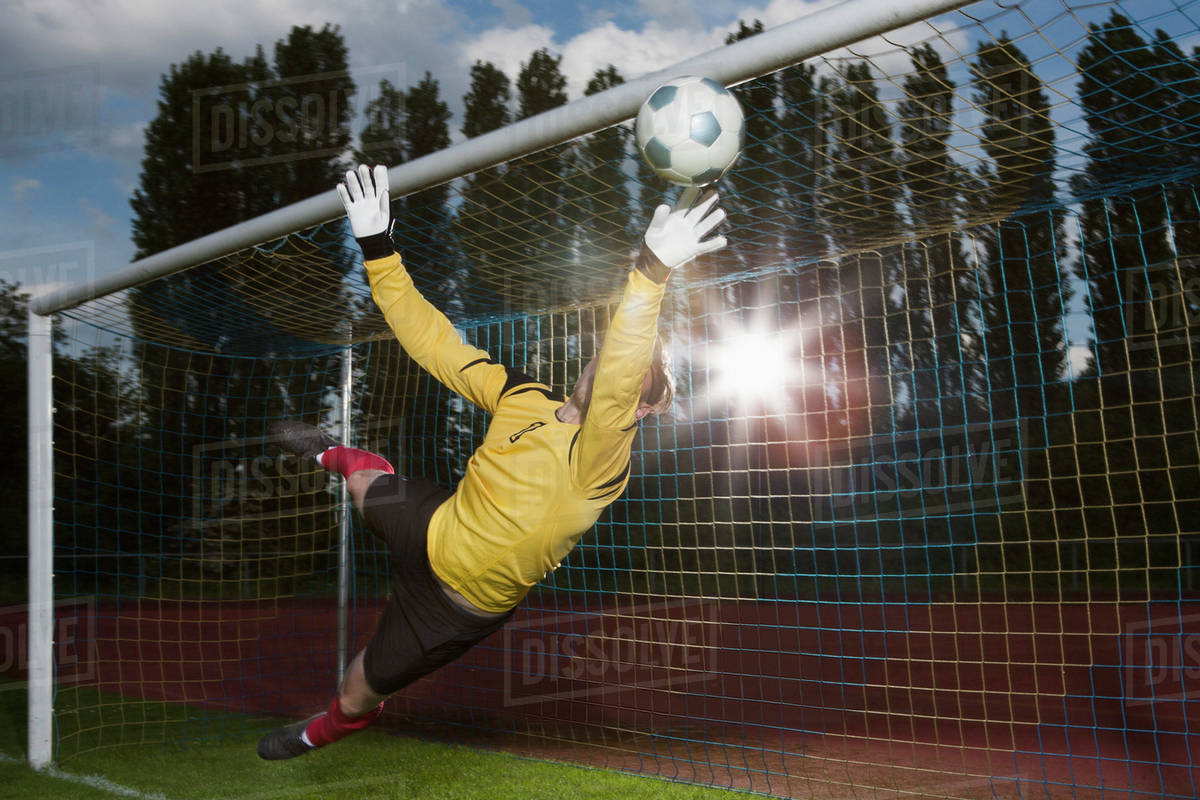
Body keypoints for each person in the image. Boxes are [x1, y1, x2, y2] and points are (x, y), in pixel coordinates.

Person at [256, 164, 726, 760]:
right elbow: (437, 345)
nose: (617, 369)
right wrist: (377, 248)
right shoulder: (522, 395)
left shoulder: (601, 461)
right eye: (612, 354)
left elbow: (622, 369)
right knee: (363, 480)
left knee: (354, 694)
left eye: (637, 379)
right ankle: (342, 454)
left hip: (451, 609)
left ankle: (317, 733)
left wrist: (652, 271)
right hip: (434, 523)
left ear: (640, 409)